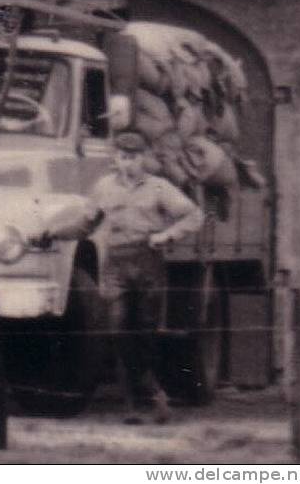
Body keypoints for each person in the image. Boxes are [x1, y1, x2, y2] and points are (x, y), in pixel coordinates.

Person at [90, 130, 204, 424]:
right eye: (123, 157)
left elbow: (194, 216)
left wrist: (167, 235)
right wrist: (52, 233)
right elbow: (86, 221)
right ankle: (133, 403)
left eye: (134, 157)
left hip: (147, 262)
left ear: (144, 158)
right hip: (115, 262)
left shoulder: (158, 188)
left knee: (144, 333)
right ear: (116, 158)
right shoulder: (104, 187)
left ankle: (153, 397)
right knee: (116, 331)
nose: (128, 163)